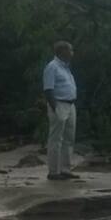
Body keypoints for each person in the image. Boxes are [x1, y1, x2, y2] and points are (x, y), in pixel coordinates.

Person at [43, 41, 80, 180]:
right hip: (58, 104)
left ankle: (66, 169)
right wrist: (55, 108)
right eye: (70, 50)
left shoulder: (66, 68)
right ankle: (53, 172)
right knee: (56, 139)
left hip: (70, 105)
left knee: (69, 139)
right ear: (62, 51)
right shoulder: (52, 67)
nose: (72, 53)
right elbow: (48, 89)